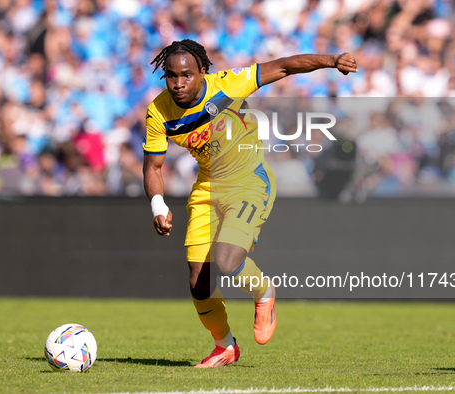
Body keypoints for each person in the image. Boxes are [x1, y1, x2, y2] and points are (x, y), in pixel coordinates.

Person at [142, 39, 357, 368]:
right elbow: (153, 167)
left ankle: (264, 293)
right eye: (171, 76)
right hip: (206, 189)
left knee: (227, 262)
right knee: (199, 282)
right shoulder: (159, 111)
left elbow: (284, 66)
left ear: (203, 71)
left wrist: (331, 59)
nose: (178, 83)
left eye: (186, 75)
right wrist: (158, 204)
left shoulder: (229, 84)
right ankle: (224, 346)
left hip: (248, 182)